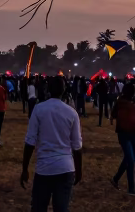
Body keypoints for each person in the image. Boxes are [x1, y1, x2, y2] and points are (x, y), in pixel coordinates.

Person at [22, 76, 83, 212]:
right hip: (65, 167)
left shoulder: (39, 109)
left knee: (38, 208)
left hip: (44, 168)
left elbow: (30, 142)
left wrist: (24, 168)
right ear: (64, 90)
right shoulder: (72, 113)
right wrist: (79, 171)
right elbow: (77, 147)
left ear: (48, 89)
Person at [109, 81, 135, 196]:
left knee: (129, 159)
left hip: (130, 133)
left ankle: (115, 179)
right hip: (126, 134)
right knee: (131, 160)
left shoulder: (125, 102)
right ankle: (131, 189)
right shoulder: (127, 103)